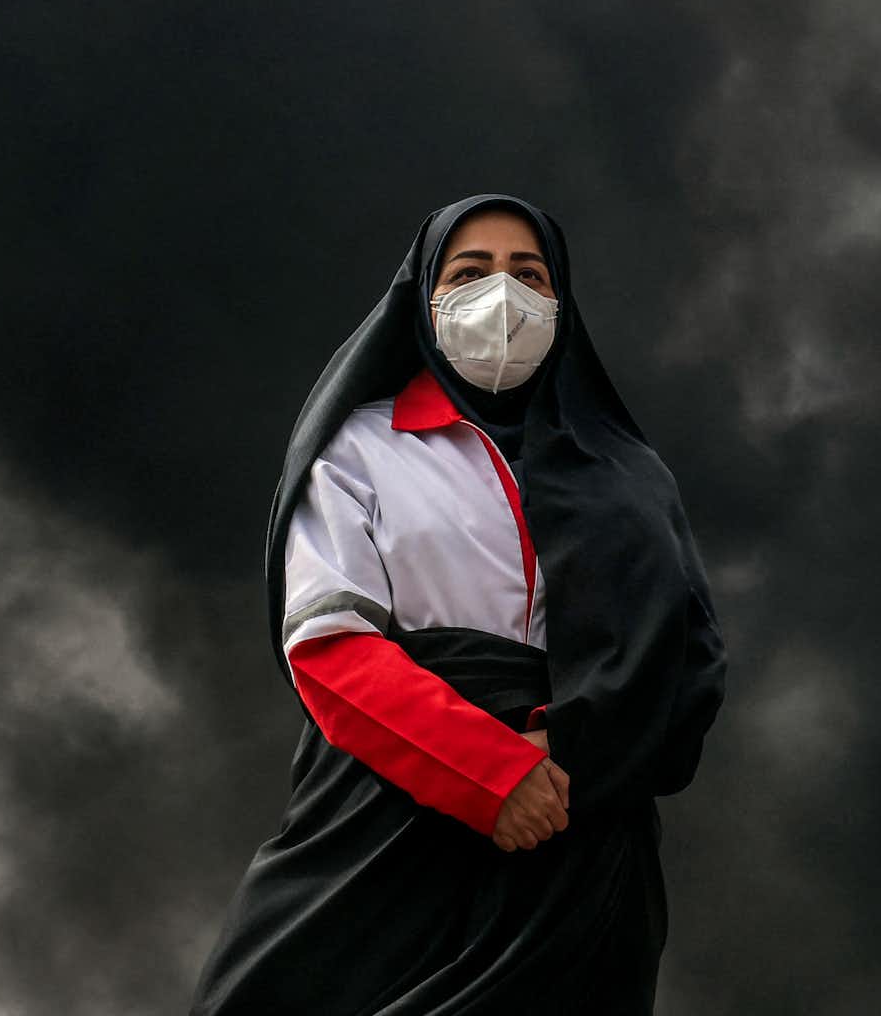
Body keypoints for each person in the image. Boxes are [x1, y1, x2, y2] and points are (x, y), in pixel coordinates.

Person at [192, 195, 726, 1014]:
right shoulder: (361, 450)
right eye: (471, 272)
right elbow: (329, 651)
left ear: (561, 303)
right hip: (383, 832)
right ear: (425, 297)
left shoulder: (630, 476)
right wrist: (491, 772)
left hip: (578, 851)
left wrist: (574, 748)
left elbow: (686, 669)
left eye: (529, 275)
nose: (502, 297)